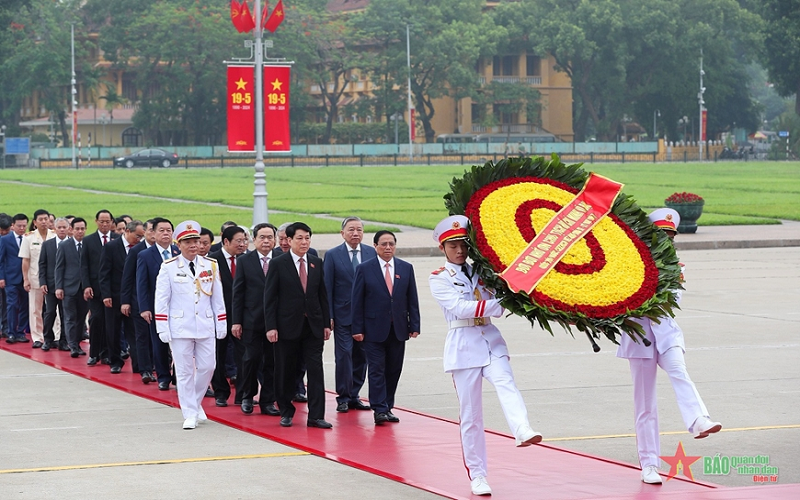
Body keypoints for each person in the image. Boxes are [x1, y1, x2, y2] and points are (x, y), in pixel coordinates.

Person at [429, 215, 542, 497]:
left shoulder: (484, 272)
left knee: (506, 383)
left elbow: (500, 296)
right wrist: (500, 303)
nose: (459, 250)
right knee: (471, 417)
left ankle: (522, 429)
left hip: (490, 341)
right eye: (453, 245)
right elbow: (460, 308)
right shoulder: (439, 278)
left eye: (463, 245)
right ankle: (478, 475)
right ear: (443, 248)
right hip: (463, 347)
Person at [617, 208, 722, 485]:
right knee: (645, 405)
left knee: (679, 371)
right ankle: (649, 464)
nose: (666, 240)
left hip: (666, 333)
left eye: (670, 236)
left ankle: (699, 419)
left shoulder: (677, 267)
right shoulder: (629, 263)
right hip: (639, 336)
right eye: (660, 235)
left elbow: (671, 301)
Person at [154, 220, 226, 430]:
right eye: (188, 242)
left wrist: (221, 322)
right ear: (179, 244)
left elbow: (217, 298)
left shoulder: (210, 265)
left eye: (196, 241)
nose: (193, 245)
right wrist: (162, 327)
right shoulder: (168, 267)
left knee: (208, 366)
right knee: (184, 372)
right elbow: (162, 299)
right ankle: (189, 413)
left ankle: (193, 403)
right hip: (180, 326)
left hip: (205, 324)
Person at [264, 222, 332, 429]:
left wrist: (326, 323)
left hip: (313, 326)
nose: (304, 242)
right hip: (286, 326)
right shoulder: (278, 263)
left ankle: (316, 415)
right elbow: (270, 298)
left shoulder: (315, 262)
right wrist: (271, 326)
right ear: (289, 240)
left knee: (315, 370)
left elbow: (322, 295)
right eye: (300, 238)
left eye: (307, 238)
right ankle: (286, 410)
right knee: (286, 369)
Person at [351, 230, 420, 424]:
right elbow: (357, 301)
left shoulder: (406, 268)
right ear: (375, 246)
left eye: (391, 244)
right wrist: (357, 328)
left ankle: (388, 406)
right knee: (376, 369)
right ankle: (379, 408)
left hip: (398, 329)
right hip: (373, 329)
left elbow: (412, 299)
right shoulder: (365, 269)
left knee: (393, 369)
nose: (388, 247)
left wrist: (414, 324)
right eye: (383, 244)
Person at [323, 216, 376, 413]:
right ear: (342, 233)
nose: (355, 233)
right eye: (351, 230)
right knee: (344, 355)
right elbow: (327, 287)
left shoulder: (372, 253)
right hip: (343, 315)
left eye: (359, 230)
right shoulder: (333, 255)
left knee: (361, 356)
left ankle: (354, 395)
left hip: (366, 316)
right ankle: (343, 396)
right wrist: (328, 315)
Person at [231, 222, 281, 416]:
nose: (266, 241)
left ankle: (268, 400)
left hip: (276, 322)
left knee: (272, 362)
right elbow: (238, 293)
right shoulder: (245, 261)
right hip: (252, 320)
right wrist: (237, 321)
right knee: (250, 359)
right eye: (262, 237)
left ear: (275, 240)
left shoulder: (282, 259)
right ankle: (247, 396)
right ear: (254, 240)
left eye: (270, 237)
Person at [137, 217, 179, 390]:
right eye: (161, 230)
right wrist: (145, 308)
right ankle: (163, 376)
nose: (165, 233)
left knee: (180, 343)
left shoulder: (179, 252)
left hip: (178, 307)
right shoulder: (145, 255)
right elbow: (142, 284)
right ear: (153, 233)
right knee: (159, 342)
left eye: (168, 230)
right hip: (157, 308)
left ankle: (179, 375)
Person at [208, 224, 247, 407]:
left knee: (244, 356)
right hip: (219, 316)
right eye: (238, 241)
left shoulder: (247, 260)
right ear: (226, 241)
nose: (242, 244)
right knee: (218, 355)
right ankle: (220, 393)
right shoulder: (211, 262)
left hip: (243, 317)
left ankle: (242, 394)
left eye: (245, 240)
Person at [100, 220, 144, 374]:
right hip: (114, 296)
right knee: (113, 331)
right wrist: (106, 295)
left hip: (133, 297)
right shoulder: (111, 247)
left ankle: (139, 364)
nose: (139, 240)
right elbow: (104, 273)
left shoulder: (141, 249)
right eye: (137, 236)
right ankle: (115, 361)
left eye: (142, 237)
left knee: (135, 332)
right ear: (127, 231)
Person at [121, 219, 157, 384]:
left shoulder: (169, 251)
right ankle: (145, 369)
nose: (152, 234)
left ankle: (158, 364)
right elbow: (127, 278)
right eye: (149, 231)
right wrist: (125, 301)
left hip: (160, 303)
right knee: (142, 336)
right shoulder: (137, 251)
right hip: (139, 301)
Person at [81, 209, 117, 365]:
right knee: (96, 319)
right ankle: (94, 353)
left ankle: (108, 353)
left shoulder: (117, 239)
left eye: (107, 221)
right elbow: (84, 266)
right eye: (101, 221)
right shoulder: (88, 241)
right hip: (95, 289)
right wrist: (86, 285)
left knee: (111, 323)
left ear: (112, 223)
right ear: (96, 222)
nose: (104, 224)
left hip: (112, 288)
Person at [19, 209, 54, 348]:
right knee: (35, 309)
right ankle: (38, 337)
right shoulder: (29, 238)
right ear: (35, 222)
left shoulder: (55, 236)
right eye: (41, 219)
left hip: (52, 278)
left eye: (46, 219)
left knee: (54, 309)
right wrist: (26, 279)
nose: (44, 222)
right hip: (35, 278)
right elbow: (25, 260)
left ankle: (55, 336)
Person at [55, 217, 89, 357]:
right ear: (71, 230)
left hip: (85, 288)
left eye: (82, 229)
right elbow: (59, 267)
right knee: (70, 317)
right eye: (77, 229)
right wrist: (59, 287)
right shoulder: (64, 246)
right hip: (69, 287)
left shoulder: (89, 244)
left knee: (81, 318)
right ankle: (73, 346)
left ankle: (78, 342)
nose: (80, 231)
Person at [39, 217, 70, 351]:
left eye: (64, 227)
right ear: (55, 229)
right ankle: (48, 339)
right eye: (59, 227)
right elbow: (42, 264)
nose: (62, 230)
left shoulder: (72, 244)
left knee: (66, 314)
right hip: (51, 285)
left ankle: (63, 340)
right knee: (50, 312)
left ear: (68, 229)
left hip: (68, 285)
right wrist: (43, 282)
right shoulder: (47, 244)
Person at [0, 213, 30, 344]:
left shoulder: (29, 239)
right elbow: (1, 260)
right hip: (11, 278)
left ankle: (21, 332)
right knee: (12, 305)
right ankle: (11, 332)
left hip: (26, 278)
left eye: (24, 226)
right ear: (13, 225)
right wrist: (1, 277)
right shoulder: (5, 239)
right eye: (19, 226)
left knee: (25, 305)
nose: (22, 228)